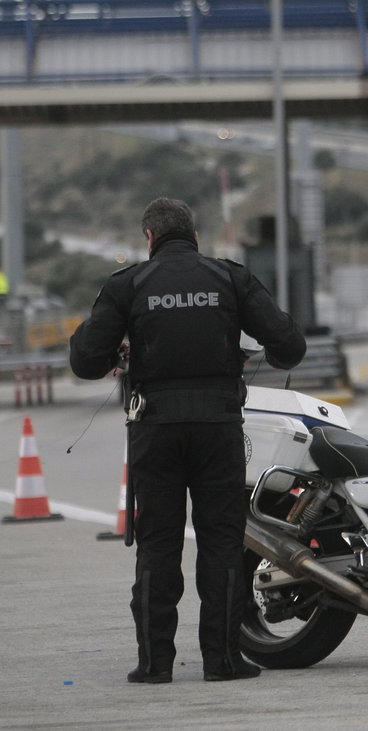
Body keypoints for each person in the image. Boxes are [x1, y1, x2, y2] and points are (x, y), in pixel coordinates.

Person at [69, 198, 306, 684]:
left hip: (154, 430)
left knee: (157, 544)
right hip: (218, 429)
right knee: (221, 544)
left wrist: (124, 347)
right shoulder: (230, 278)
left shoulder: (128, 285)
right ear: (195, 238)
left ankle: (154, 664)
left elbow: (85, 361)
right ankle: (222, 661)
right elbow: (289, 347)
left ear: (149, 239)